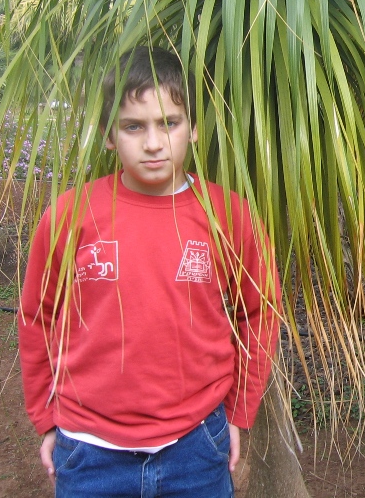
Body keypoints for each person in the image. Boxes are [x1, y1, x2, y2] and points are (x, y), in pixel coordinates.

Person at [18, 46, 280, 497]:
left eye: (169, 123)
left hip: (196, 446)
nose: (154, 143)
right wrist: (45, 419)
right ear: (108, 134)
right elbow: (36, 317)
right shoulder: (70, 216)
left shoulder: (230, 216)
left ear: (193, 128)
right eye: (133, 126)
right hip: (89, 451)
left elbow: (260, 312)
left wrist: (239, 411)